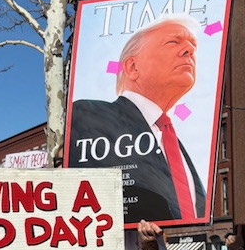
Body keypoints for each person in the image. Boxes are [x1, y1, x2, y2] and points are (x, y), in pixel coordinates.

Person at [68, 14, 206, 224]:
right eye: (173, 42)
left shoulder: (170, 138)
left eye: (193, 46)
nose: (189, 50)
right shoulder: (88, 115)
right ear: (132, 67)